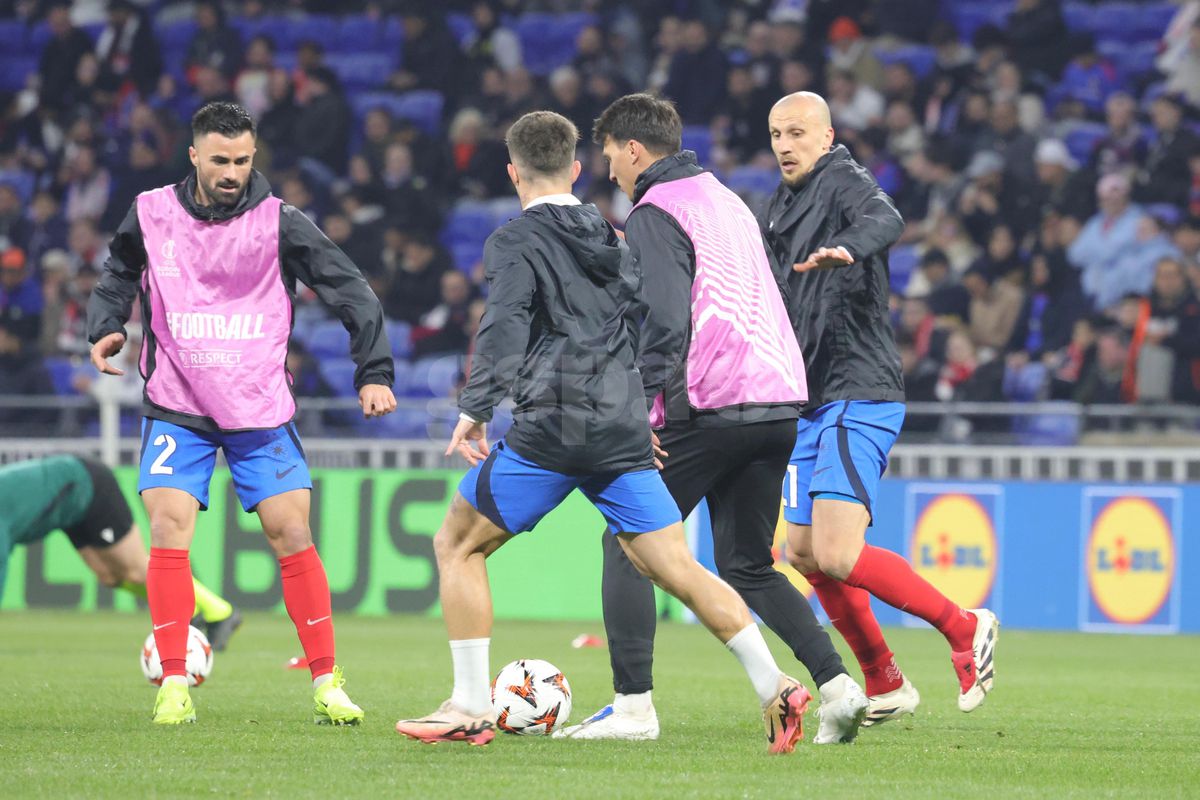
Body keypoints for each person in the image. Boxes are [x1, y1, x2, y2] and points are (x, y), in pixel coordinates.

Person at [394, 110, 810, 754]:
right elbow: (650, 318)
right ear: (577, 169)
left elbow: (504, 327)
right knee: (673, 565)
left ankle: (470, 705)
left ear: (513, 172)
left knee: (456, 543)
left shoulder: (513, 241)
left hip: (555, 425)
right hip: (623, 427)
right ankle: (774, 683)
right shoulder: (613, 234)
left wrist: (476, 406)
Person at [560, 93, 869, 747]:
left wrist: (643, 406)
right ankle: (838, 688)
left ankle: (633, 707)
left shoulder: (654, 209)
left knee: (627, 539)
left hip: (711, 398)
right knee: (748, 563)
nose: (607, 165)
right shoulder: (724, 199)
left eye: (610, 152)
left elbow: (669, 319)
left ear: (634, 150)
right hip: (777, 397)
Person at [86, 102, 397, 726]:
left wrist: (374, 372)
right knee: (169, 528)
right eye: (221, 159)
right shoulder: (151, 213)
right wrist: (107, 325)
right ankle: (173, 683)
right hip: (179, 403)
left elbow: (351, 289)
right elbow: (118, 269)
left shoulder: (278, 222)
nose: (233, 171)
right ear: (195, 155)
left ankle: (326, 683)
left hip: (257, 408)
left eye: (244, 160)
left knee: (293, 535)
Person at [760, 92, 999, 724]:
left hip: (856, 388)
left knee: (837, 554)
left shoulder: (843, 179)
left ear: (827, 135)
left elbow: (885, 216)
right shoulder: (779, 207)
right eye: (777, 134)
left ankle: (963, 624)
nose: (785, 144)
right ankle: (884, 681)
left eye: (797, 132)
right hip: (809, 398)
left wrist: (851, 247)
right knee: (804, 555)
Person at [0, 455, 242, 650]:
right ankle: (189, 610)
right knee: (110, 577)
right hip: (68, 505)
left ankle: (221, 612)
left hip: (88, 484)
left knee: (136, 569)